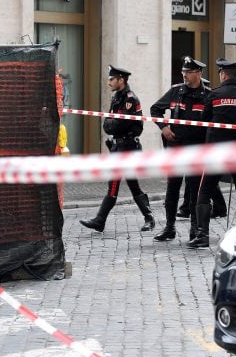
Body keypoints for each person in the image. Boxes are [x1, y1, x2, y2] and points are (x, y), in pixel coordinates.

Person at [189, 58, 236, 249]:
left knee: (205, 191)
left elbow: (205, 118)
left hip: (217, 151)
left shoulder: (215, 95)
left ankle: (202, 236)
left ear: (224, 75)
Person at [80, 65, 155, 233]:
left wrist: (113, 124)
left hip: (128, 147)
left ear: (121, 80)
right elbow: (107, 124)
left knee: (115, 183)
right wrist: (112, 125)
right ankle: (148, 217)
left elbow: (121, 123)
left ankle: (100, 220)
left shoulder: (130, 99)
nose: (109, 83)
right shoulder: (117, 98)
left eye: (111, 79)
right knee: (131, 184)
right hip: (118, 146)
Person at [149, 56, 209, 242]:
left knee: (193, 191)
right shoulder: (176, 92)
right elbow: (155, 109)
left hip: (195, 150)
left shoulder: (208, 96)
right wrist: (164, 127)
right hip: (175, 149)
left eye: (188, 72)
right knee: (172, 190)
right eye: (183, 72)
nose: (184, 75)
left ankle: (194, 230)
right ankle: (169, 228)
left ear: (198, 73)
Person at [177, 81, 227, 220]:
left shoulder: (208, 97)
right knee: (195, 178)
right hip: (199, 144)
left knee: (204, 180)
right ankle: (187, 207)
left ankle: (218, 207)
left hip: (205, 143)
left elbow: (206, 118)